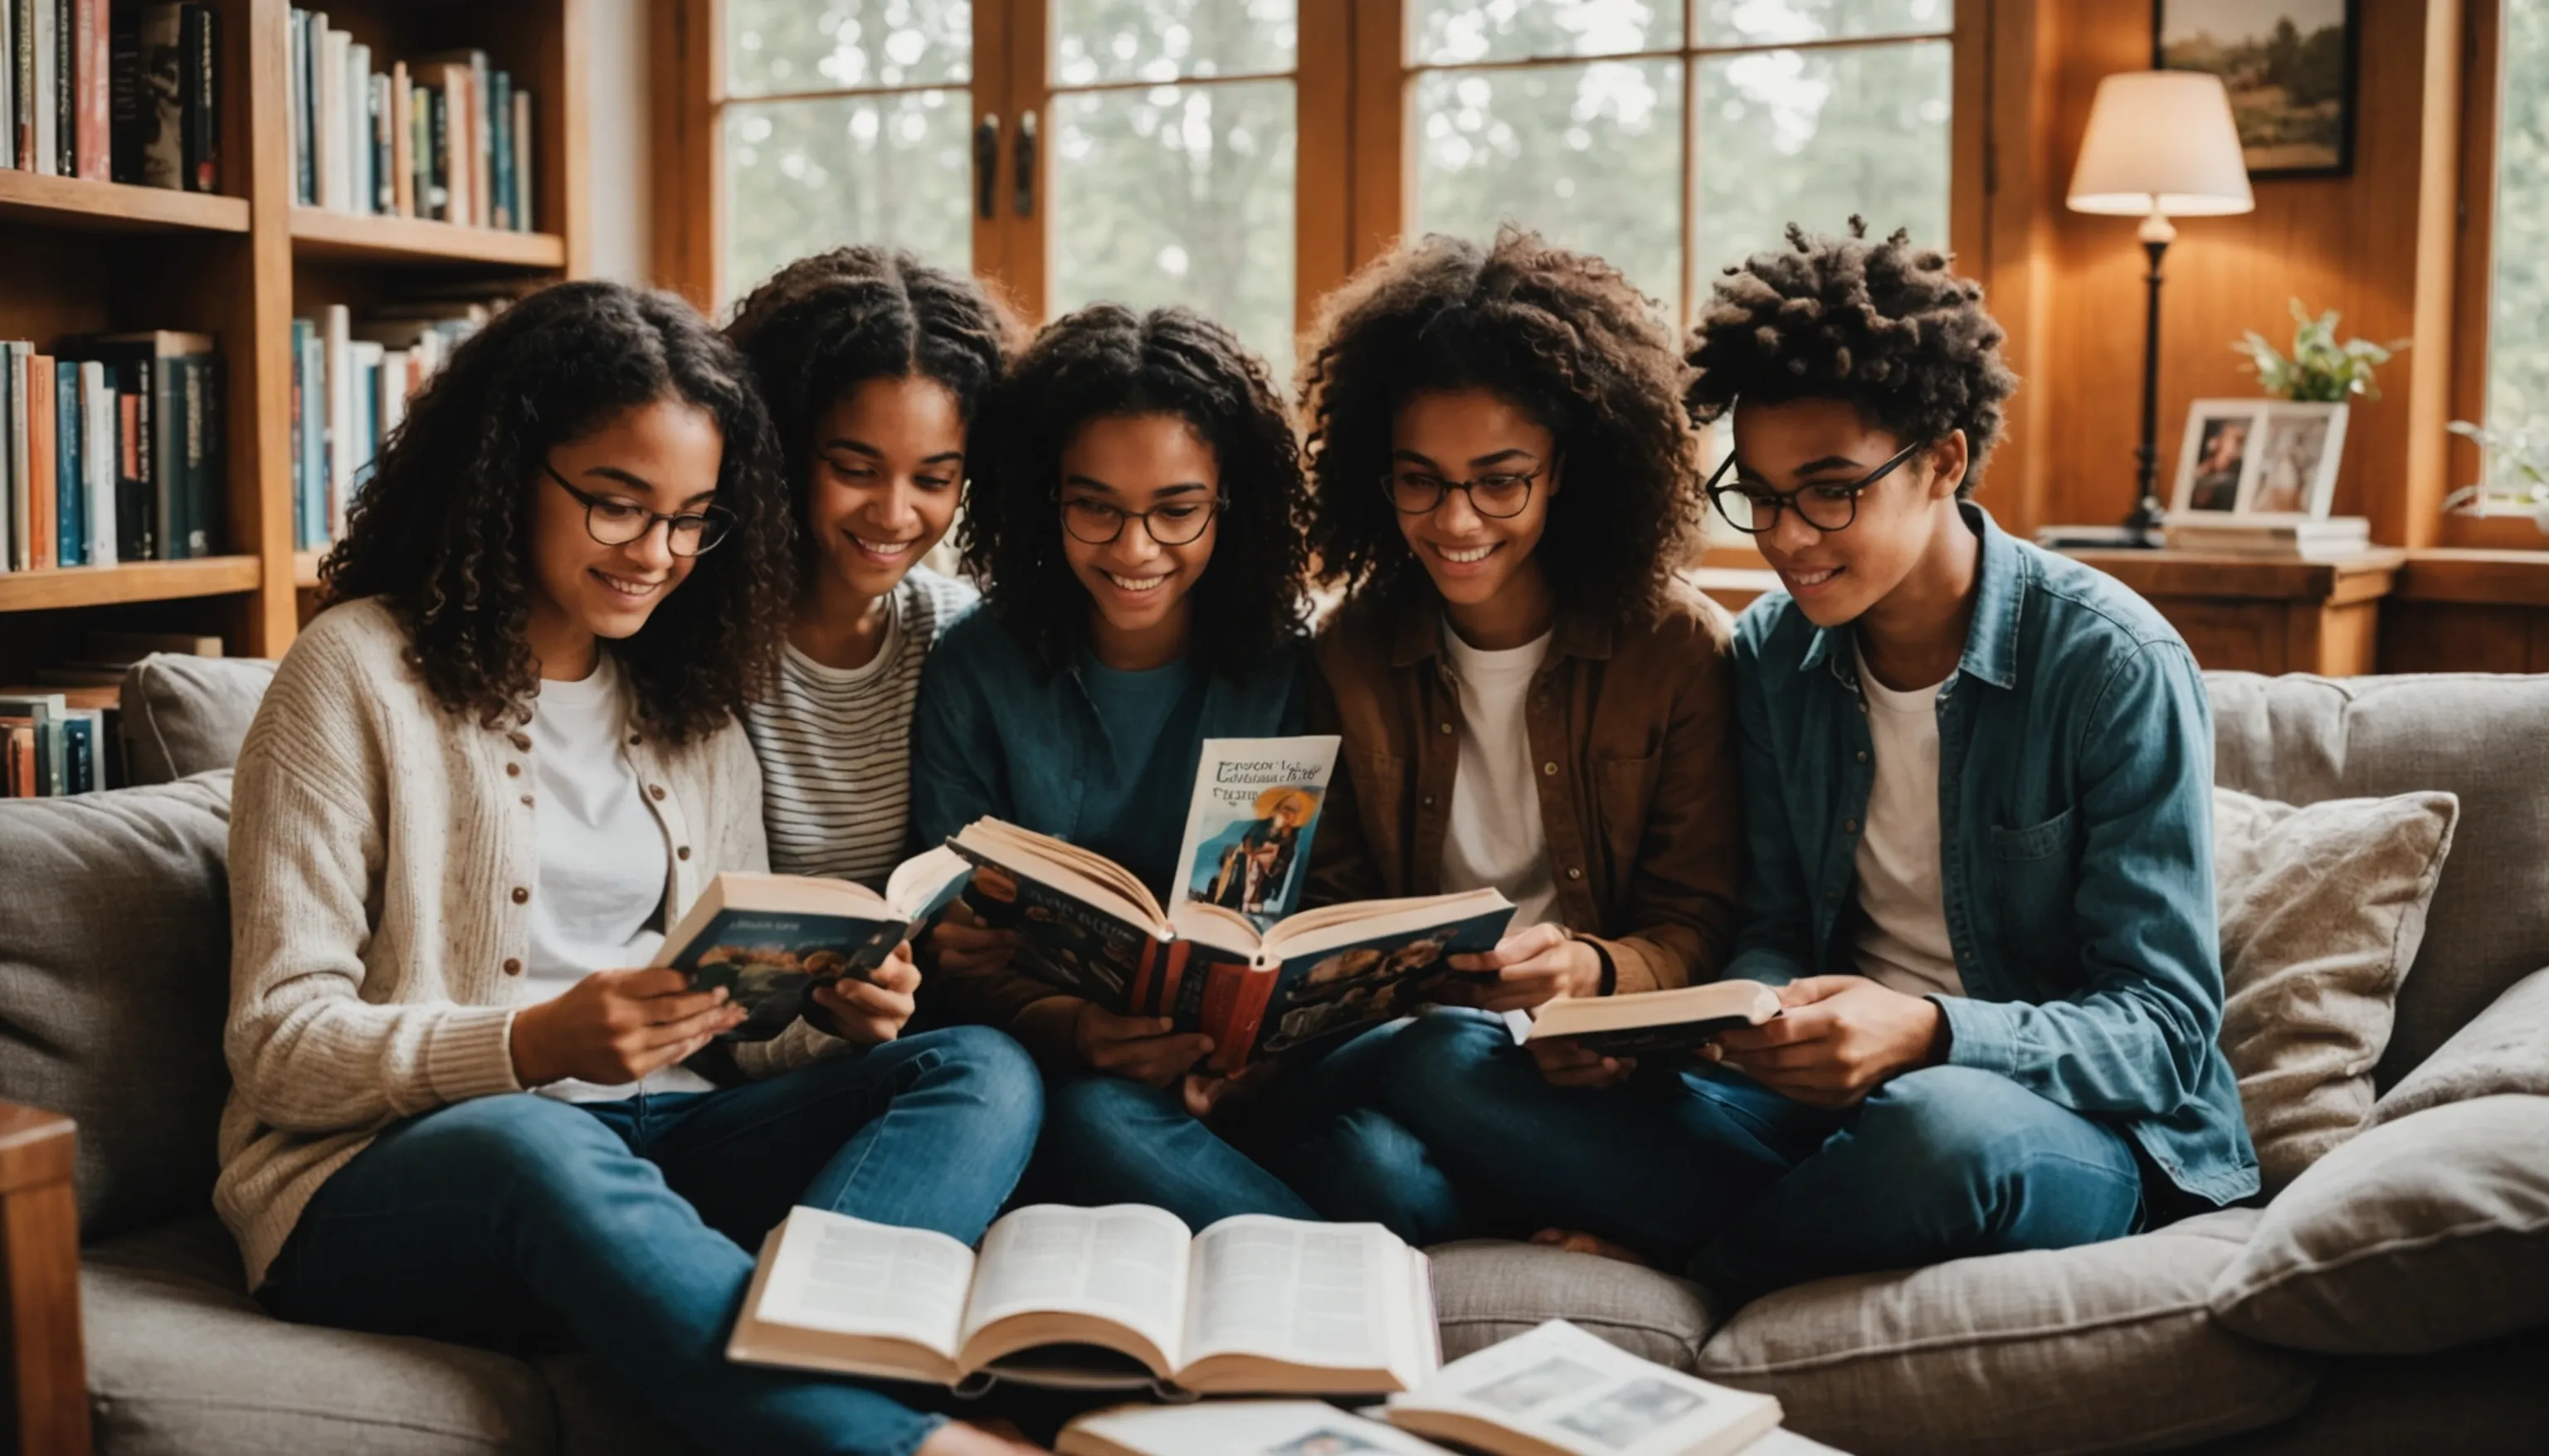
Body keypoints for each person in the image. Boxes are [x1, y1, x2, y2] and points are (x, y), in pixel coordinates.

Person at [220, 280, 1045, 1456]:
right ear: (508, 469)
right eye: (617, 505)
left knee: (978, 1066)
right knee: (532, 1134)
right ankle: (892, 1442)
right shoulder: (353, 672)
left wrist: (826, 1007)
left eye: (693, 517)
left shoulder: (688, 699)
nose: (656, 554)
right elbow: (277, 1041)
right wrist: (529, 1043)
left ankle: (790, 1370)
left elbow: (738, 1033)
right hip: (396, 1180)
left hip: (655, 1143)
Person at [1382, 220, 2258, 1299]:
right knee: (1443, 1061)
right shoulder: (1776, 654)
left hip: (2058, 1128)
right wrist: (1682, 1032)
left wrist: (1930, 1030)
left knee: (1936, 1128)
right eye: (1759, 493)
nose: (1787, 537)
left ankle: (1705, 1260)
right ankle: (1815, 1219)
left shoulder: (2109, 666)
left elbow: (2165, 1030)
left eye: (1831, 489)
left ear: (1941, 459)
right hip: (1813, 1111)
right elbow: (1773, 933)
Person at [1295, 226, 1746, 1244]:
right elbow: (1333, 912)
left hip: (1603, 1064)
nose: (1456, 521)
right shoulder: (1348, 652)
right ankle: (1570, 1202)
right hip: (1424, 1048)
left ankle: (1574, 1196)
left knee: (1400, 1117)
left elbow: (1700, 919)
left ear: (1567, 475)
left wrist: (1592, 973)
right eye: (1421, 480)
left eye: (1500, 480)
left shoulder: (1676, 649)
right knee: (1373, 1145)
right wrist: (1423, 980)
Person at [912, 303, 1377, 1229]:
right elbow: (952, 942)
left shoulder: (1292, 663)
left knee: (1388, 1167)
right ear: (1046, 498)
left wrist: (1258, 1057)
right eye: (1096, 508)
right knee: (1096, 1120)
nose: (1134, 550)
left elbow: (1327, 900)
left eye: (1176, 511)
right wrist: (1071, 1027)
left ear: (1229, 502)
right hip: (1071, 1073)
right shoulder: (975, 669)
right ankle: (1333, 1279)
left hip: (1263, 1069)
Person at [724, 246, 1017, 886]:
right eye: (856, 470)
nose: (893, 513)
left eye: (934, 478)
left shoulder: (954, 633)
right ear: (784, 445)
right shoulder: (708, 637)